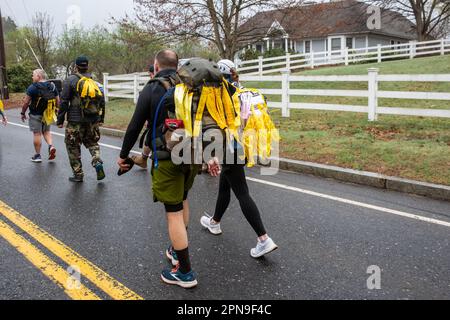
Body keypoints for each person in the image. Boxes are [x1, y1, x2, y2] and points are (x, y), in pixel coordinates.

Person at [118, 50, 218, 289]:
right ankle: (176, 249)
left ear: (156, 64)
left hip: (167, 157)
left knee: (172, 211)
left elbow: (134, 125)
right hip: (193, 155)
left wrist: (124, 155)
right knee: (182, 199)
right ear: (177, 65)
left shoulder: (153, 87)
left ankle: (184, 272)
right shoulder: (189, 85)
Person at [200, 59, 279, 259]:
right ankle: (215, 222)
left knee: (242, 192)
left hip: (230, 147)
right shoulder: (247, 92)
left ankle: (263, 239)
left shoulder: (223, 93)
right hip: (245, 146)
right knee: (226, 185)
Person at [57, 56, 106, 183]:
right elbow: (102, 100)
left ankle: (78, 174)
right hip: (92, 119)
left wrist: (60, 120)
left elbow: (64, 101)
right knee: (92, 142)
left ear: (76, 66)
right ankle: (96, 161)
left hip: (75, 121)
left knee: (72, 146)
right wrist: (101, 118)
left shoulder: (70, 80)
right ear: (87, 66)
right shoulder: (93, 81)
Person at [20, 69, 59, 163]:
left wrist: (22, 113)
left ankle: (37, 156)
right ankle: (51, 146)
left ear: (39, 76)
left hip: (35, 114)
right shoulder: (52, 86)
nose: (32, 77)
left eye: (33, 75)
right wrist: (57, 111)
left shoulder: (32, 87)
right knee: (46, 131)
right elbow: (58, 100)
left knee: (37, 134)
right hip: (48, 113)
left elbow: (26, 102)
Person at [131, 65, 156, 169]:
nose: (150, 76)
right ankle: (143, 159)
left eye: (150, 74)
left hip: (160, 120)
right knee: (150, 137)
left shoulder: (153, 86)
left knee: (154, 137)